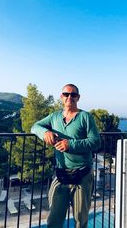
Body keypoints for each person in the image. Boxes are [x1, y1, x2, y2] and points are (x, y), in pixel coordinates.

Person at [31, 83, 101, 228]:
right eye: (66, 94)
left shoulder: (85, 117)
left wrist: (70, 145)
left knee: (80, 221)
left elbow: (95, 142)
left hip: (82, 175)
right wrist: (45, 133)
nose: (70, 97)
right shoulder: (54, 117)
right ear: (61, 97)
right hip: (60, 174)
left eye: (73, 94)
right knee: (54, 220)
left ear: (78, 97)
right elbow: (35, 126)